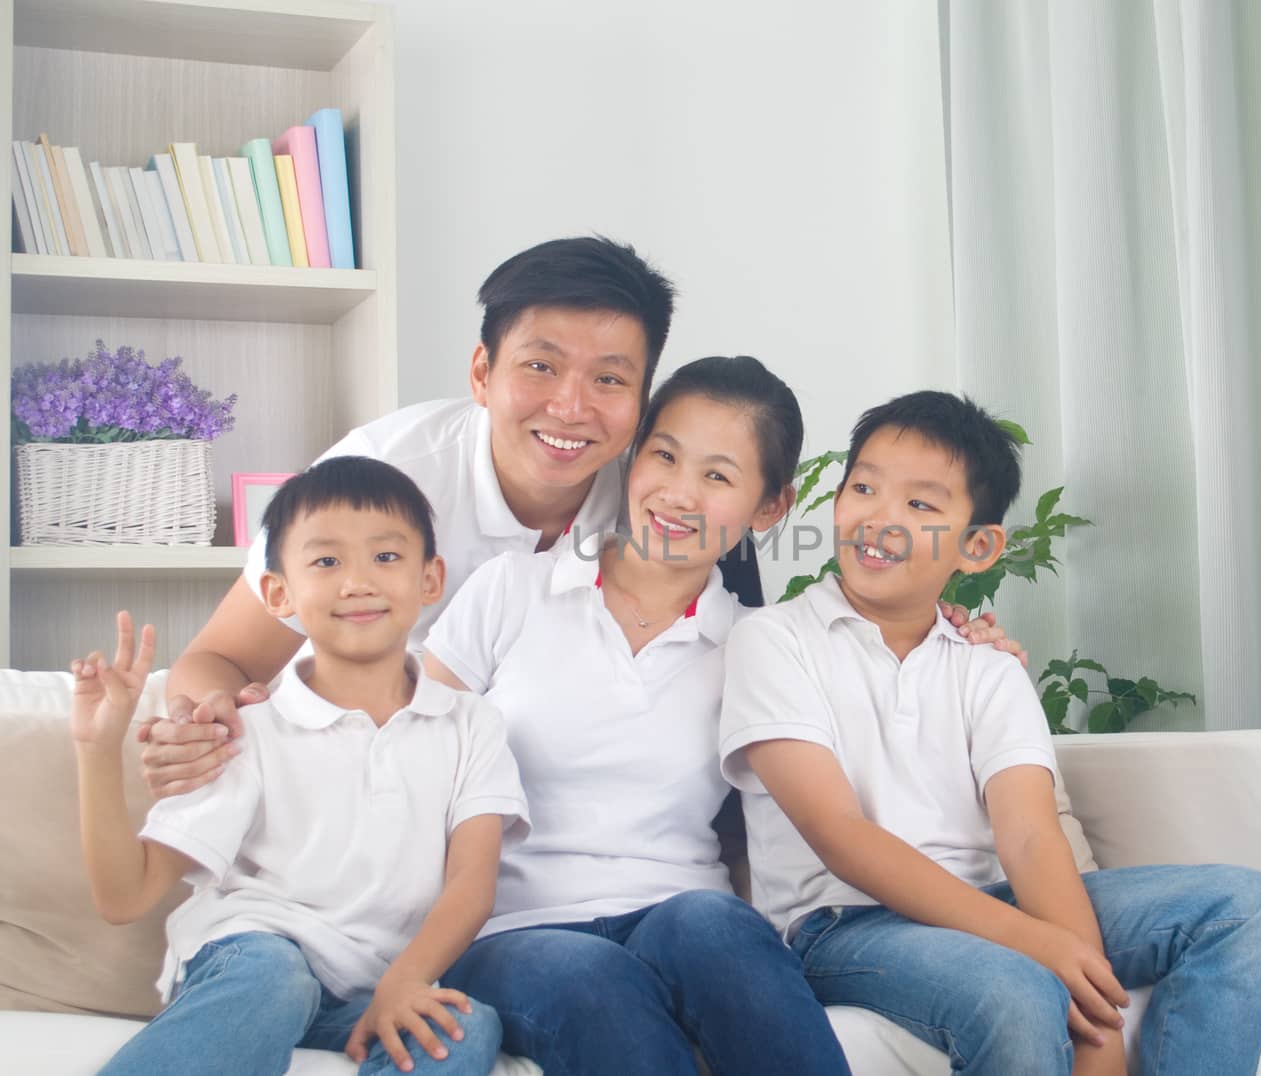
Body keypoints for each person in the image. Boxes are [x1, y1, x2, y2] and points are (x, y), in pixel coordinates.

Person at [138, 236, 1011, 798]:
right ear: (482, 372)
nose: (571, 407)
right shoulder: (382, 478)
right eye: (541, 366)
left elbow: (758, 654)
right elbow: (215, 656)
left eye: (609, 380)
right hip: (376, 782)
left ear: (641, 400)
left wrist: (951, 644)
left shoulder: (660, 492)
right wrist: (203, 722)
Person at [719, 391, 1261, 1076]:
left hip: (993, 902)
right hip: (842, 926)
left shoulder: (986, 666)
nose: (880, 517)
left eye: (921, 505)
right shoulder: (774, 640)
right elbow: (843, 837)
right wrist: (1040, 949)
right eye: (864, 487)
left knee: (1244, 907)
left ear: (978, 547)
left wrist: (1094, 1015)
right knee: (1013, 988)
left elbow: (1028, 835)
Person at [421, 357, 851, 1075]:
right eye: (665, 455)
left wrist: (970, 643)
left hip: (680, 911)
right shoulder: (514, 588)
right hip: (511, 929)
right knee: (595, 981)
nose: (678, 492)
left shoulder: (761, 645)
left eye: (717, 476)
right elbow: (409, 747)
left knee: (717, 924)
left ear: (769, 507)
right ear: (632, 454)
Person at [70, 457, 530, 1076]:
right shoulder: (247, 730)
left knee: (468, 1022)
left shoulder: (471, 725)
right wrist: (97, 750)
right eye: (327, 561)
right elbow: (126, 896)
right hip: (256, 959)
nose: (358, 582)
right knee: (278, 976)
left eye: (387, 558)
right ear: (278, 593)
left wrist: (406, 980)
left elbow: (471, 885)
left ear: (431, 579)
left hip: (372, 986)